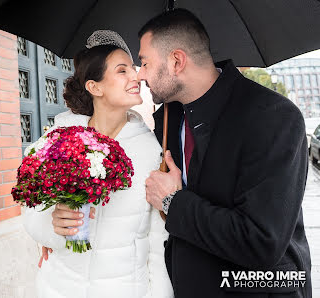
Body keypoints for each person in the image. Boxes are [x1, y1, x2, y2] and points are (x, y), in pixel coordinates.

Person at [138, 9, 312, 298]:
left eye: (144, 63)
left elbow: (260, 242)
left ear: (177, 61)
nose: (139, 73)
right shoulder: (168, 119)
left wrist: (173, 201)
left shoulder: (273, 118)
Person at [23, 30, 174, 298]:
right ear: (95, 87)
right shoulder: (60, 138)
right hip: (60, 289)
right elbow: (31, 207)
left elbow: (156, 243)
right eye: (122, 71)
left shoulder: (151, 151)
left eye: (134, 68)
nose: (136, 76)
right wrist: (52, 225)